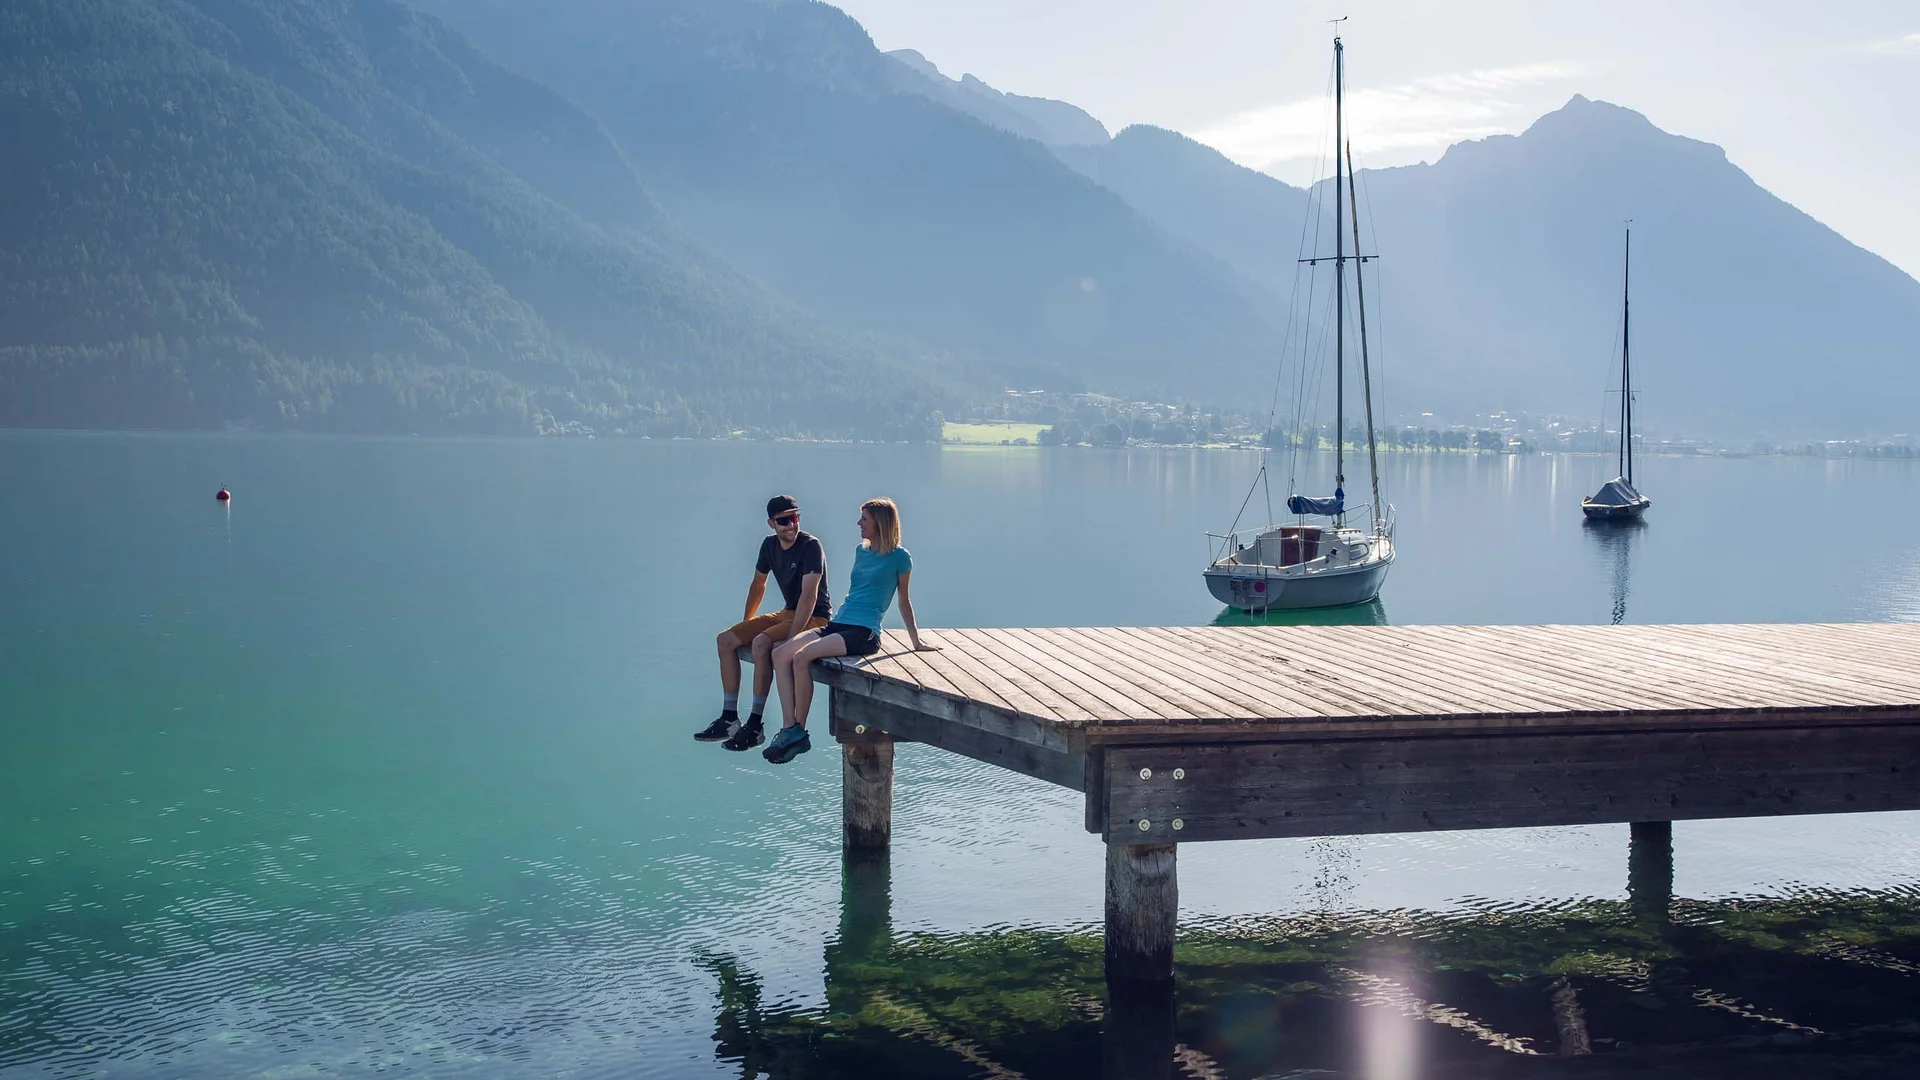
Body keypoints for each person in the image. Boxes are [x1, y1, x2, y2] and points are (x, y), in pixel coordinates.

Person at [765, 497, 934, 764]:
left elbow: (904, 601)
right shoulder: (861, 551)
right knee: (780, 654)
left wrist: (916, 642)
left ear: (880, 523)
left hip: (864, 632)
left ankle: (799, 730)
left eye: (864, 519)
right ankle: (789, 729)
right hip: (839, 623)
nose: (859, 523)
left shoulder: (900, 558)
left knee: (801, 657)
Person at [695, 495, 832, 751]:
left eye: (795, 518)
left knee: (761, 643)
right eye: (784, 521)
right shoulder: (769, 546)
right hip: (787, 612)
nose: (791, 525)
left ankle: (755, 724)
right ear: (771, 523)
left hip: (815, 617)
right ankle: (729, 718)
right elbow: (759, 584)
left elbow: (809, 596)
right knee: (725, 640)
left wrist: (792, 638)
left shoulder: (811, 546)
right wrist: (745, 624)